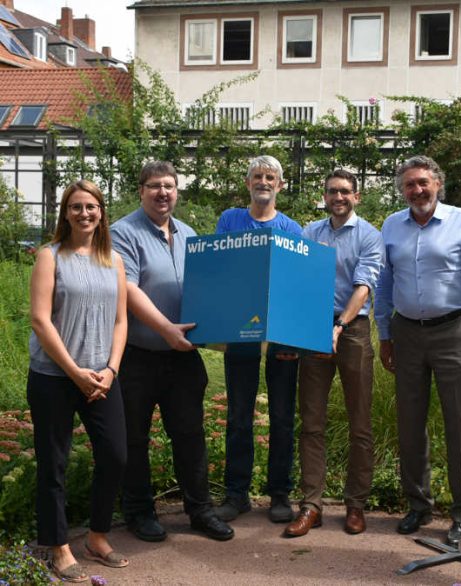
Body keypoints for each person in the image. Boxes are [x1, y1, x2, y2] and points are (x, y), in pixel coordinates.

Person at [374, 155, 461, 546]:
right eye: (409, 184)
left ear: (437, 183)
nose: (417, 190)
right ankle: (418, 505)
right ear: (402, 189)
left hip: (452, 332)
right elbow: (385, 285)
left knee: (460, 425)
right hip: (406, 332)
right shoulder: (391, 225)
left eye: (423, 182)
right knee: (410, 423)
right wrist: (385, 336)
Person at [111, 161, 233, 542]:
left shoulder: (189, 233)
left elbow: (206, 288)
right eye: (154, 186)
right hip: (138, 355)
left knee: (190, 435)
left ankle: (200, 511)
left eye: (169, 186)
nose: (162, 193)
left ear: (177, 191)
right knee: (134, 438)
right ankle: (139, 513)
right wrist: (165, 329)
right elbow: (127, 290)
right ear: (141, 190)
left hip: (183, 356)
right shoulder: (122, 232)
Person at [28, 180, 129, 582]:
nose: (84, 213)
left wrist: (111, 370)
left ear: (101, 212)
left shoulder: (114, 261)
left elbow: (122, 321)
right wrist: (75, 372)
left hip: (103, 378)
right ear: (65, 213)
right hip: (55, 376)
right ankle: (58, 545)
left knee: (116, 455)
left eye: (91, 206)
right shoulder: (49, 257)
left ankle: (98, 536)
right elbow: (39, 319)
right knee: (54, 463)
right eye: (75, 207)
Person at [284, 169, 384, 537]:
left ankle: (355, 505)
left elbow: (364, 287)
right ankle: (311, 505)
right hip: (313, 327)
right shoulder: (310, 233)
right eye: (331, 192)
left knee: (360, 421)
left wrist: (339, 327)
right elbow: (297, 282)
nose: (337, 197)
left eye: (344, 191)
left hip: (352, 328)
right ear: (324, 196)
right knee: (311, 422)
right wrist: (299, 331)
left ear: (356, 196)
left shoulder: (370, 236)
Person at [214, 155, 302, 524]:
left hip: (281, 332)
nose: (263, 181)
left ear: (280, 185)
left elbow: (297, 280)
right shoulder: (229, 220)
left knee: (282, 415)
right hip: (240, 329)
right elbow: (218, 267)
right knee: (238, 415)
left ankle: (279, 493)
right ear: (247, 183)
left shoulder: (293, 228)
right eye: (257, 176)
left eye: (270, 177)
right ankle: (237, 493)